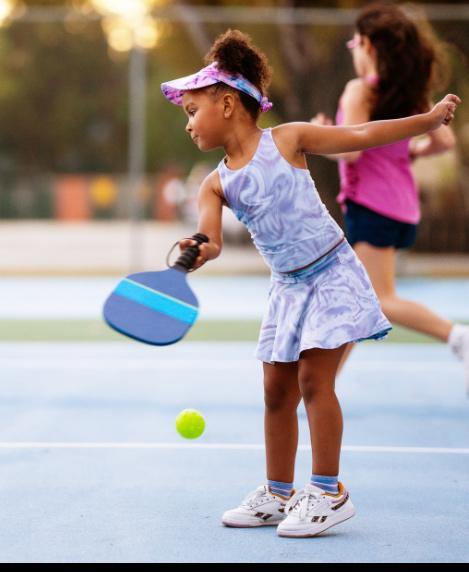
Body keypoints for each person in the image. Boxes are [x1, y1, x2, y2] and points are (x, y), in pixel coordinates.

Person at [160, 29, 460, 538]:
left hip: (332, 274)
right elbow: (211, 240)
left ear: (227, 103)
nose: (188, 123)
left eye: (192, 110)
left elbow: (362, 134)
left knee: (315, 383)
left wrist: (427, 121)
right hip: (287, 288)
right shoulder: (215, 184)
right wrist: (196, 250)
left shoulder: (288, 139)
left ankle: (328, 492)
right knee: (275, 391)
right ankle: (278, 493)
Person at [312, 3, 469, 391]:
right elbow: (444, 140)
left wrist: (320, 137)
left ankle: (458, 337)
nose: (353, 50)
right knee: (355, 298)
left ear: (367, 45)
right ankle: (322, 387)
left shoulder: (360, 91)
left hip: (372, 207)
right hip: (401, 211)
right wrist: (412, 151)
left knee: (379, 298)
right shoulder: (409, 95)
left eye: (354, 43)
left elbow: (350, 151)